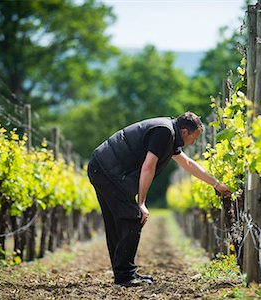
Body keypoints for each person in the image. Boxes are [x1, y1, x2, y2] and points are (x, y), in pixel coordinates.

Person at [87, 112, 231, 287]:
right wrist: (141, 203)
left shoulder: (169, 134)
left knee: (120, 221)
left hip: (102, 167)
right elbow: (148, 167)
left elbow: (188, 164)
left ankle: (124, 274)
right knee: (132, 217)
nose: (193, 142)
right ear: (185, 131)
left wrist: (216, 184)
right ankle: (125, 276)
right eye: (194, 137)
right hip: (107, 170)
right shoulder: (164, 132)